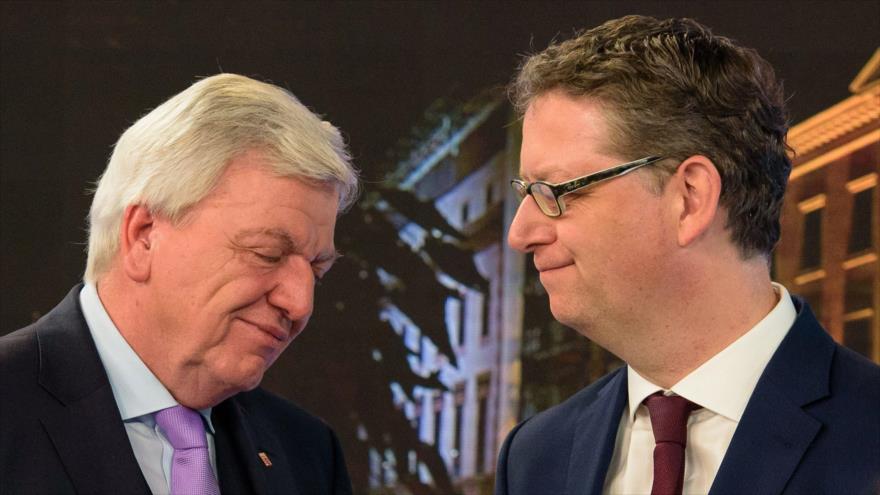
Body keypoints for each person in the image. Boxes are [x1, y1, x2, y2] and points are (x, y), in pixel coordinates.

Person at [495, 15, 880, 495]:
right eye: (525, 193)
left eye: (554, 191)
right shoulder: (535, 456)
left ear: (691, 197)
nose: (521, 233)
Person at [0, 73, 359, 494]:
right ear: (143, 235)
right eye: (267, 254)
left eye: (317, 270)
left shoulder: (309, 454)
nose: (299, 304)